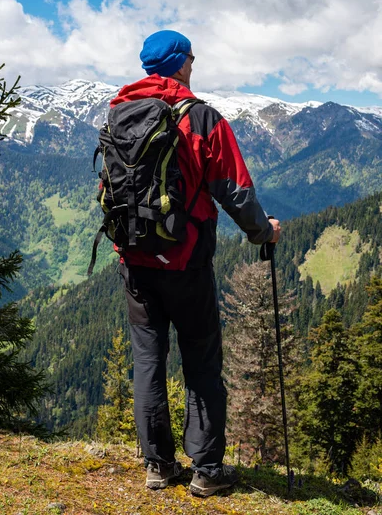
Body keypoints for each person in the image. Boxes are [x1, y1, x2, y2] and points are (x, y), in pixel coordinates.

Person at [111, 30, 281, 497]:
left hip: (136, 260)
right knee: (201, 360)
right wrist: (264, 232)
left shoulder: (119, 114)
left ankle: (158, 466)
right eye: (191, 57)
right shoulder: (201, 118)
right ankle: (206, 470)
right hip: (185, 261)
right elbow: (236, 193)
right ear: (182, 63)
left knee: (148, 358)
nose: (194, 63)